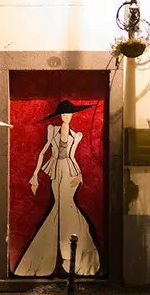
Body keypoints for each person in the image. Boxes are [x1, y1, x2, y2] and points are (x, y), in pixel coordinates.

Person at [13, 100, 102, 277]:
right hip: (57, 171)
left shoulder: (76, 135)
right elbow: (42, 153)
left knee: (68, 206)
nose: (67, 117)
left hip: (71, 171)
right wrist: (35, 174)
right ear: (60, 116)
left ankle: (70, 257)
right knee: (60, 208)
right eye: (65, 114)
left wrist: (79, 175)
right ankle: (58, 256)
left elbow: (73, 157)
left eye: (70, 114)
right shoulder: (52, 131)